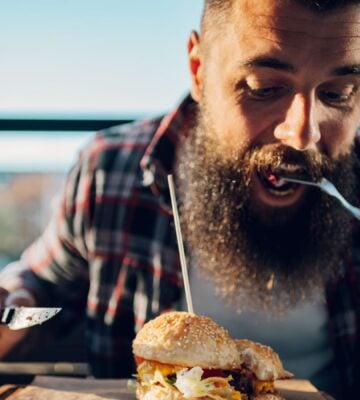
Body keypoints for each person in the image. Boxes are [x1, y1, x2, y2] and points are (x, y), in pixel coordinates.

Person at [0, 0, 359, 398]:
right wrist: (15, 303)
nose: (303, 133)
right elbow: (40, 284)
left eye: (339, 93)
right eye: (264, 88)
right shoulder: (109, 171)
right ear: (199, 69)